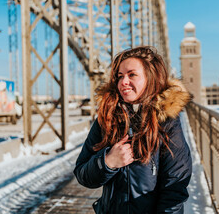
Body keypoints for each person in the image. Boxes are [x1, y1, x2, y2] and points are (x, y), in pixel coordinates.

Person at [73, 46, 192, 214]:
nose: (123, 82)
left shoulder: (167, 123)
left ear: (151, 78)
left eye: (132, 75)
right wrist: (108, 162)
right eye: (119, 76)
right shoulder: (107, 118)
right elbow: (82, 174)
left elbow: (174, 189)